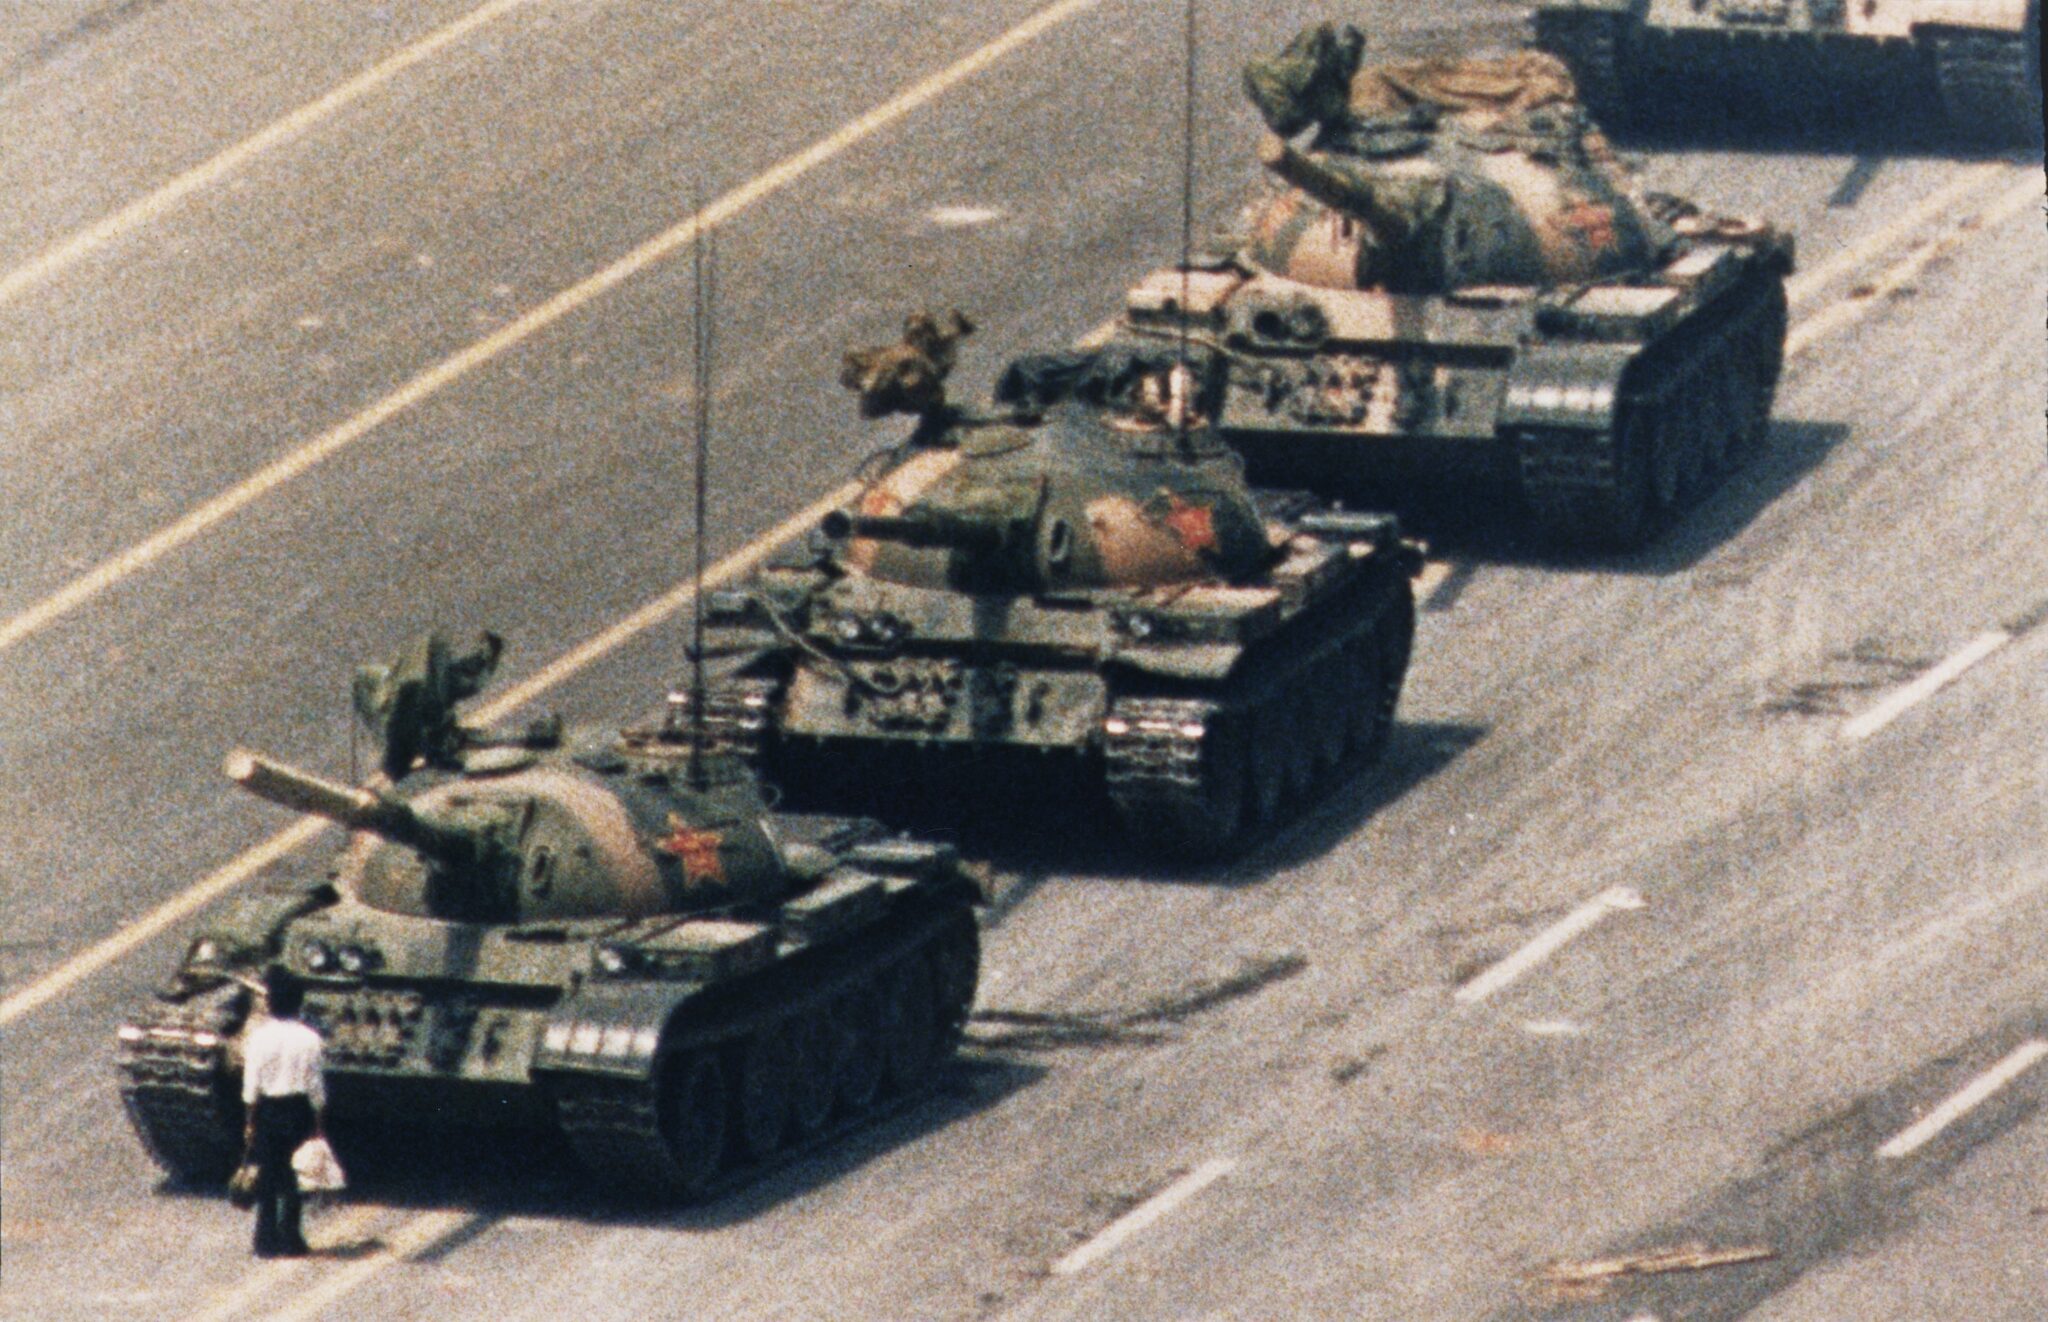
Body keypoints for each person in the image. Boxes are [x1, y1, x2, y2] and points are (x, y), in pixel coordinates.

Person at [242, 965, 326, 1258]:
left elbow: (251, 1083)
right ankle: (292, 1238)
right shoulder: (310, 1038)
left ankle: (264, 1240)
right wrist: (317, 1122)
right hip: (298, 1109)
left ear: (271, 1003)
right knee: (295, 1176)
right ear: (298, 1003)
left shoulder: (259, 1038)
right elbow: (316, 1085)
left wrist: (250, 1120)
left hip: (268, 1109)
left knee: (268, 1174)